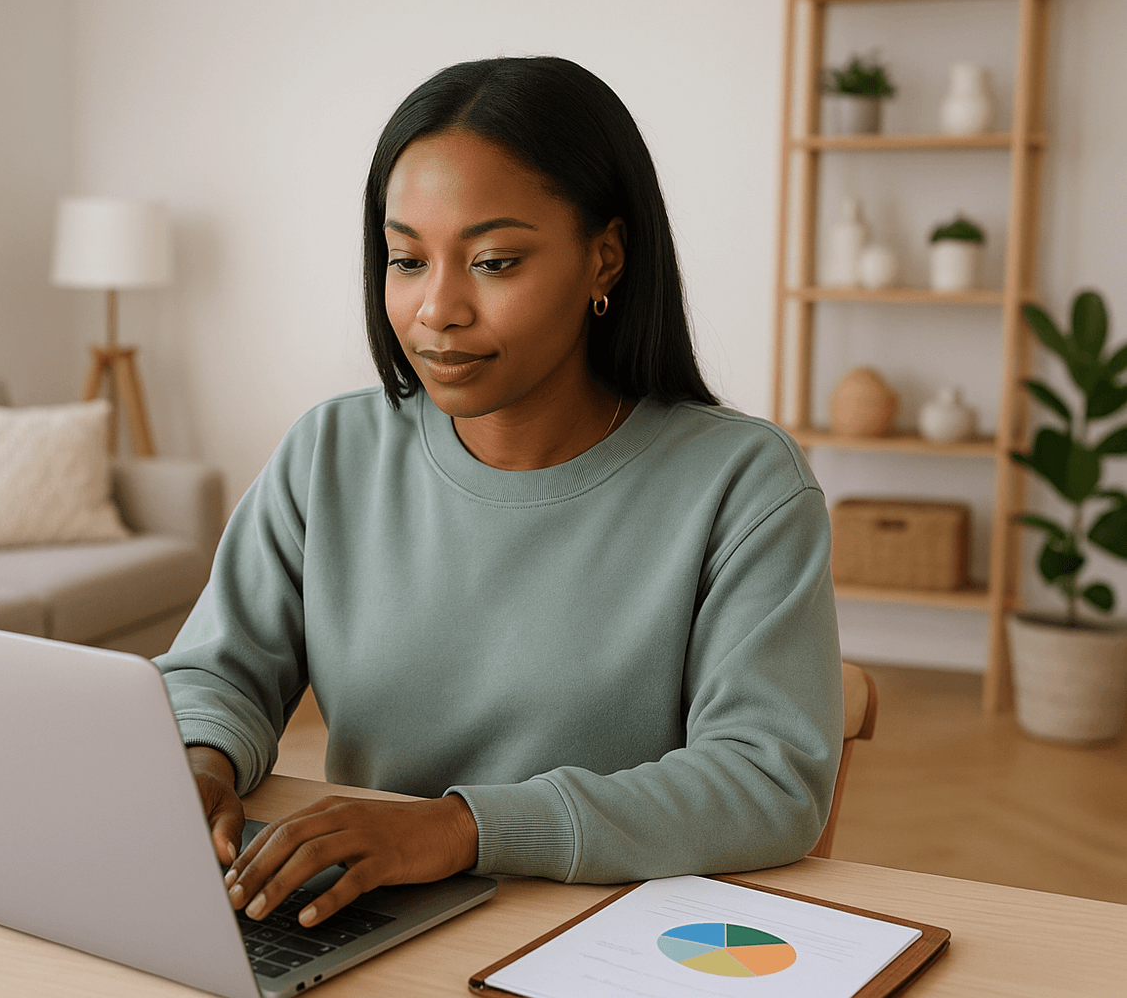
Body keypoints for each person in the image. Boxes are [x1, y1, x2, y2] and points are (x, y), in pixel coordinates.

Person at [156, 56, 842, 932]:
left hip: (607, 938)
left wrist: (459, 829)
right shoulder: (332, 452)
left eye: (493, 260)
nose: (437, 308)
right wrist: (199, 758)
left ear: (605, 257)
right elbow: (219, 670)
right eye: (407, 259)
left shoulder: (744, 485)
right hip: (361, 920)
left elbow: (765, 781)